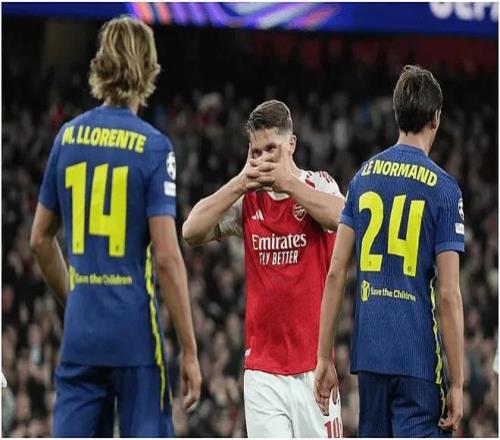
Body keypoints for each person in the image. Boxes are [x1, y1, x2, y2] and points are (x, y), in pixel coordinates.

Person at [30, 16, 201, 437]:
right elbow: (167, 258)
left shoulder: (67, 138)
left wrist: (75, 297)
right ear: (149, 68)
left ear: (101, 64)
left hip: (81, 335)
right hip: (134, 336)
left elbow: (40, 240)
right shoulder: (154, 147)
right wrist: (190, 350)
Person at [314, 65, 465, 437]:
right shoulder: (445, 190)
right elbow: (448, 295)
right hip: (418, 361)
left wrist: (323, 356)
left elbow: (336, 271)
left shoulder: (362, 178)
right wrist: (459, 382)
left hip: (370, 357)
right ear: (436, 118)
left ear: (397, 114)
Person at [183, 100, 345, 437]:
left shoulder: (318, 184)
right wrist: (240, 183)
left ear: (292, 144)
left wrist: (290, 186)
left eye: (272, 149)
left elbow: (342, 218)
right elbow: (191, 230)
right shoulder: (248, 199)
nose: (264, 159)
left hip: (314, 369)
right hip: (263, 374)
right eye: (256, 152)